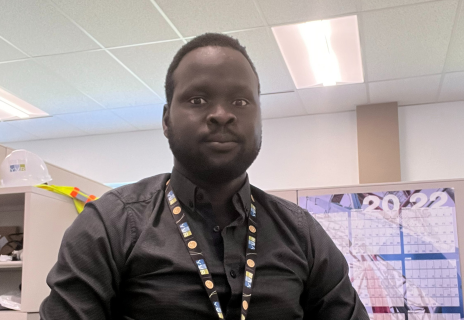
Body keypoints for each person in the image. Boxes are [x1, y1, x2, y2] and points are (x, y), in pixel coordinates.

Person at [40, 33, 369, 320]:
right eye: (198, 100)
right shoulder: (109, 225)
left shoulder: (302, 233)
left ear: (259, 119)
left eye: (240, 101)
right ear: (166, 120)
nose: (222, 115)